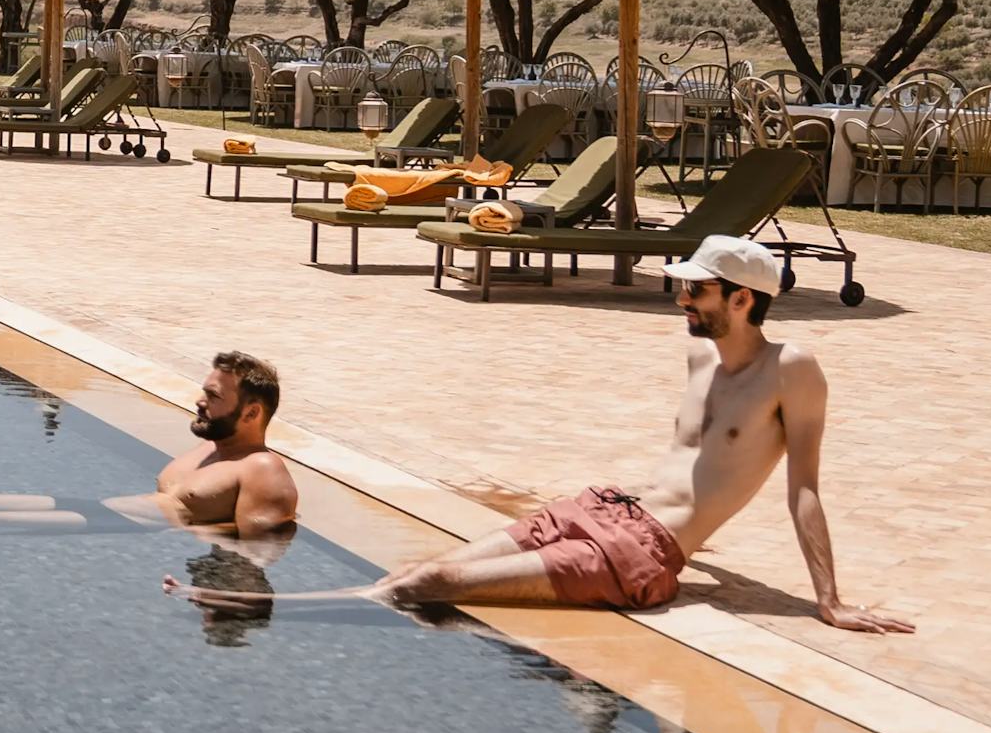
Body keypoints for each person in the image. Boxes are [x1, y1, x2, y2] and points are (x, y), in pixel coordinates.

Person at [173, 236, 913, 633]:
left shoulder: (794, 368)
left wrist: (830, 600)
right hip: (604, 508)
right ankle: (308, 601)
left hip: (641, 555)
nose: (680, 297)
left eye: (694, 288)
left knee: (431, 586)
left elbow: (802, 485)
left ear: (744, 298)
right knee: (425, 567)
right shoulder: (697, 354)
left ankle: (267, 610)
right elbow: (697, 464)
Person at [124, 350, 298, 535]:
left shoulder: (262, 468)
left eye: (213, 396)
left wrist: (181, 533)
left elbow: (260, 545)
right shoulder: (208, 449)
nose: (200, 402)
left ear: (251, 413)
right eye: (204, 393)